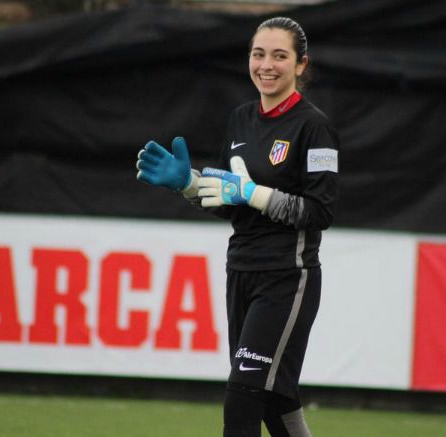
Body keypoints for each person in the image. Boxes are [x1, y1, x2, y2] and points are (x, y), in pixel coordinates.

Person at [136, 16, 339, 437]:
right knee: (274, 399)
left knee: (243, 398)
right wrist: (189, 184)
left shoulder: (315, 126)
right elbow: (234, 204)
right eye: (258, 53)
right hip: (240, 272)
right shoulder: (241, 119)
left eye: (280, 56)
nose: (266, 64)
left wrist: (252, 192)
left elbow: (318, 212)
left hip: (287, 278)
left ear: (301, 64)